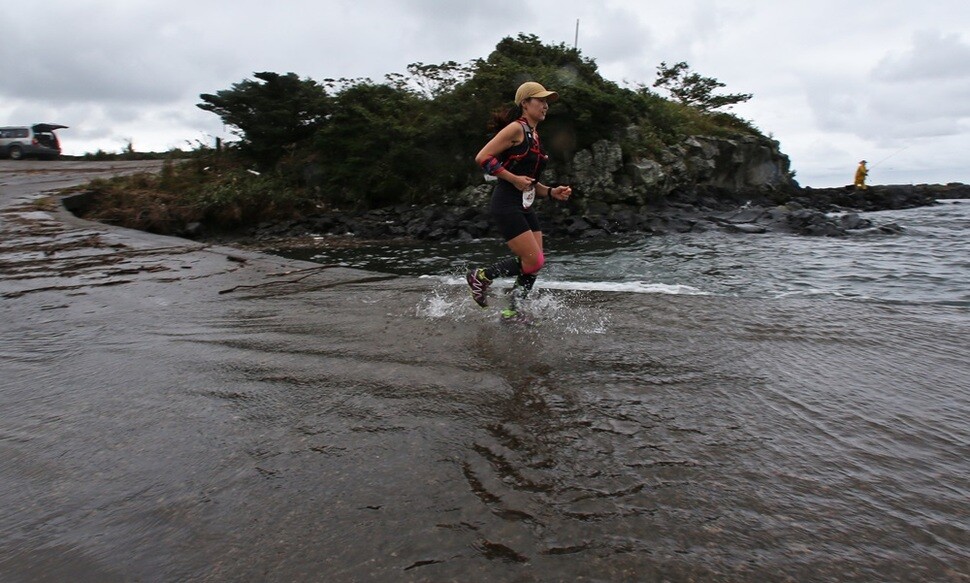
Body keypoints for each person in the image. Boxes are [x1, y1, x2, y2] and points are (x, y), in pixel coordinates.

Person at [466, 81, 573, 321]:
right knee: (532, 259)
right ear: (525, 103)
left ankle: (512, 310)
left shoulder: (534, 135)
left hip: (524, 204)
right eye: (541, 100)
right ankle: (481, 276)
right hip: (506, 203)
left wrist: (551, 191)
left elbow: (530, 181)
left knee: (536, 262)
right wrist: (512, 178)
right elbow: (483, 158)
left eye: (547, 101)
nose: (545, 105)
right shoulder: (516, 129)